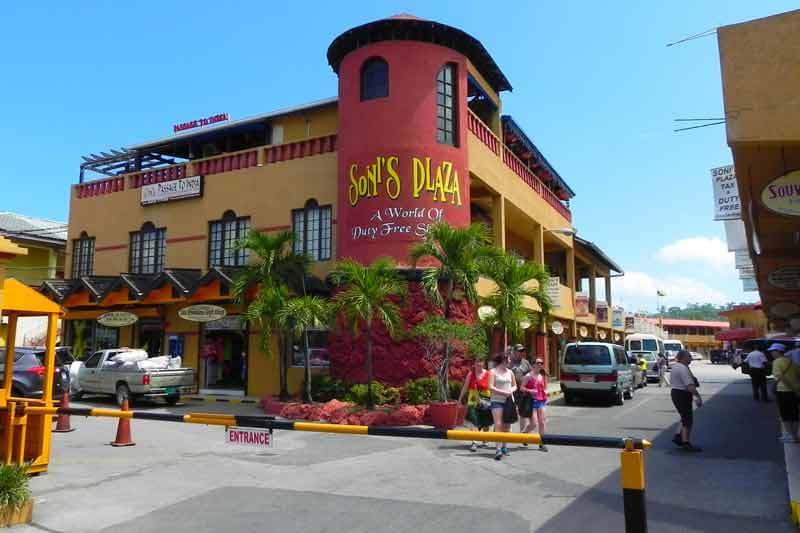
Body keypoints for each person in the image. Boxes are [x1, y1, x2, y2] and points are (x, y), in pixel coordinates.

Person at [670, 350, 703, 452]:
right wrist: (698, 397)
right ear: (684, 357)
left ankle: (678, 436)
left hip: (676, 392)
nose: (691, 359)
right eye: (689, 357)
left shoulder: (676, 366)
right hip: (682, 394)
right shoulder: (683, 369)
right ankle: (686, 442)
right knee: (688, 419)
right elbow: (690, 386)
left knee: (684, 416)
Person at [458, 358, 493, 451]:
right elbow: (465, 387)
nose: (479, 364)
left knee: (486, 422)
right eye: (477, 362)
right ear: (474, 363)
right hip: (473, 400)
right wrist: (460, 399)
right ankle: (474, 442)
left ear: (484, 363)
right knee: (473, 420)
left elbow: (491, 388)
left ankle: (485, 439)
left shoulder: (489, 374)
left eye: (481, 361)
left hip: (485, 400)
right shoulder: (470, 374)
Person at [488, 352, 517, 461]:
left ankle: (505, 446)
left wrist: (510, 390)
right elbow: (490, 387)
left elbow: (515, 386)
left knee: (507, 425)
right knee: (498, 424)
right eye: (509, 359)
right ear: (504, 360)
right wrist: (503, 392)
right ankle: (498, 449)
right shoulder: (493, 372)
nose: (510, 361)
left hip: (509, 401)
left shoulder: (510, 372)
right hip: (497, 401)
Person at [770, 343, 800, 443]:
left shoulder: (776, 362)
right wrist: (795, 389)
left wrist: (790, 386)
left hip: (783, 391)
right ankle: (795, 435)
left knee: (785, 414)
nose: (771, 353)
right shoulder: (792, 362)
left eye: (773, 351)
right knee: (794, 414)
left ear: (778, 351)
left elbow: (781, 377)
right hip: (794, 391)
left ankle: (790, 436)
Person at [520, 358, 549, 452]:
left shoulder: (541, 376)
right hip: (531, 402)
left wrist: (545, 393)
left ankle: (542, 443)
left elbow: (543, 388)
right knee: (533, 424)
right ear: (533, 365)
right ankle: (524, 434)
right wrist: (530, 391)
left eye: (541, 363)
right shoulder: (528, 376)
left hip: (541, 401)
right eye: (538, 363)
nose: (540, 364)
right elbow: (521, 388)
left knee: (542, 422)